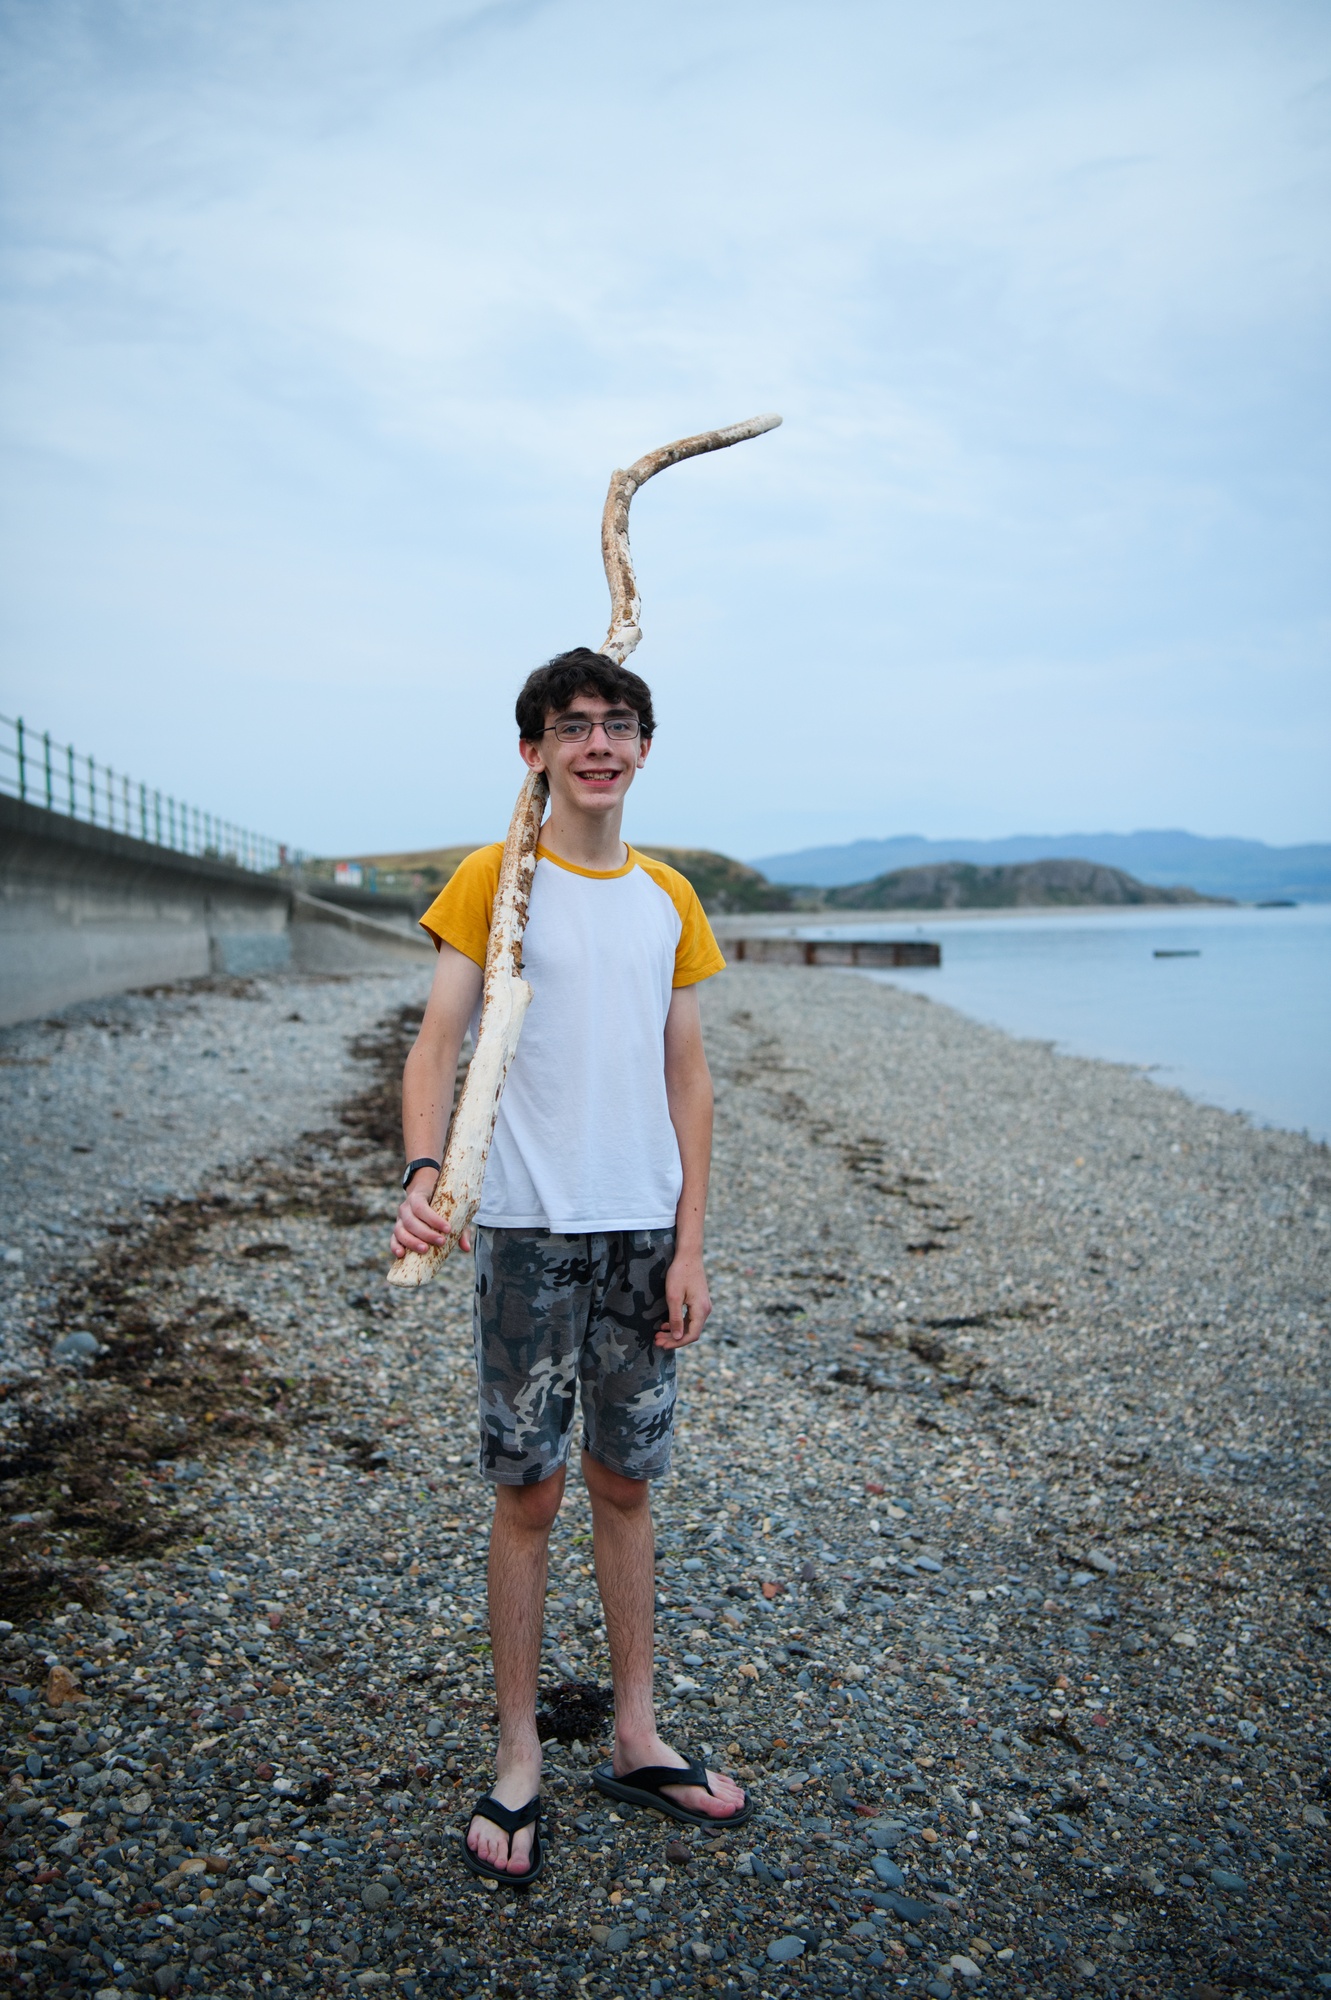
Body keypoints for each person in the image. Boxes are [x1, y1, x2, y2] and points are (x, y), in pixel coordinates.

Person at [390, 647, 752, 1884]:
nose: (598, 742)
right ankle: (517, 1752)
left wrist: (690, 1242)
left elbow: (688, 1078)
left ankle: (637, 1734)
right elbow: (436, 1042)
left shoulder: (668, 895)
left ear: (643, 746)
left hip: (642, 1231)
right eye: (571, 724)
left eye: (617, 723)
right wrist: (424, 1173)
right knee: (528, 1491)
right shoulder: (495, 878)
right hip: (525, 1230)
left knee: (625, 1482)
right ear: (534, 749)